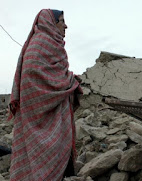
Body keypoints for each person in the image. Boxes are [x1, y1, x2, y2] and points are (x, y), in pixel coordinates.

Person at [8, 9, 82, 180]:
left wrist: (68, 80)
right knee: (42, 158)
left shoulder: (54, 46)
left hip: (57, 114)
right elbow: (35, 81)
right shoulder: (39, 46)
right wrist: (69, 83)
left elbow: (55, 76)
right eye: (62, 21)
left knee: (62, 156)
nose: (66, 26)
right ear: (51, 22)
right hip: (37, 118)